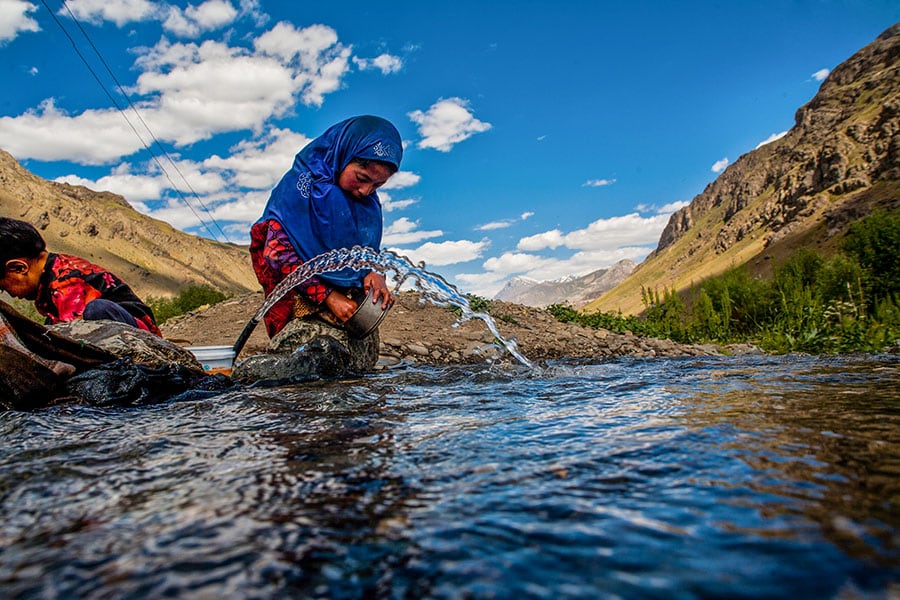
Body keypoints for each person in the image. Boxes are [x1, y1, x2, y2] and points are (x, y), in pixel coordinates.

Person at [250, 115, 402, 338]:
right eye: (361, 178)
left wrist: (374, 271)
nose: (365, 191)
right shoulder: (300, 187)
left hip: (348, 311)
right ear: (343, 154)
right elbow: (277, 254)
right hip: (302, 308)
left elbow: (365, 249)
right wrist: (328, 296)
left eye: (378, 185)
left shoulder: (367, 204)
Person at [0, 217, 162, 336]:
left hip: (142, 336)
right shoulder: (52, 274)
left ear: (19, 267)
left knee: (96, 311)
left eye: (2, 287)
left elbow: (71, 339)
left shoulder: (66, 283)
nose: (10, 293)